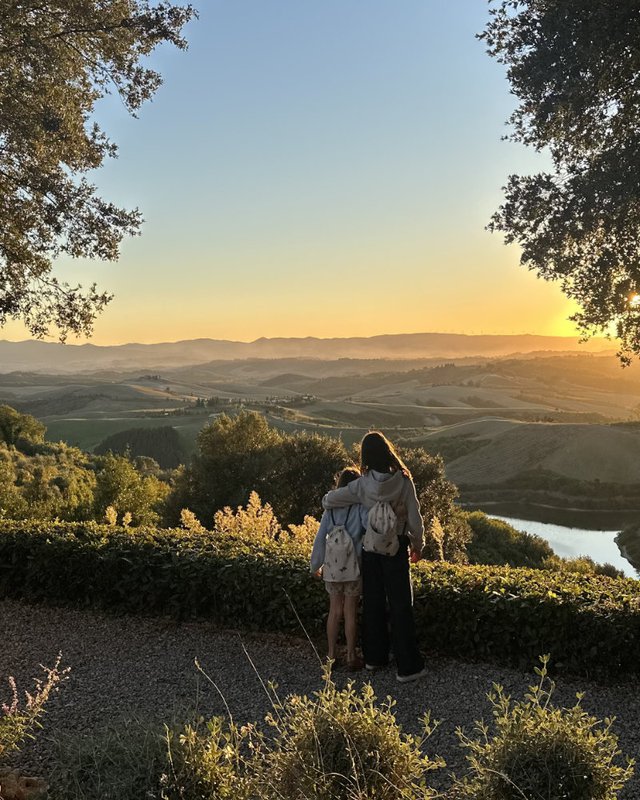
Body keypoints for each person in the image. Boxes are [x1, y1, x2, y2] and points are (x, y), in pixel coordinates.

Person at [322, 431, 426, 683]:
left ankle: (374, 658)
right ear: (388, 452)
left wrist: (331, 501)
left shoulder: (362, 484)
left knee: (373, 602)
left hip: (370, 549)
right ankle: (408, 667)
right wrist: (418, 545)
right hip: (396, 546)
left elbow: (329, 500)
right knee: (401, 605)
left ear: (366, 457)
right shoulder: (403, 481)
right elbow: (415, 519)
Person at [310, 467, 368, 670]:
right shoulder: (359, 505)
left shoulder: (330, 507)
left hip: (332, 568)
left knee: (334, 611)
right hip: (354, 566)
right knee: (350, 611)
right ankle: (352, 656)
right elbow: (368, 527)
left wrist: (315, 565)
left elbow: (320, 538)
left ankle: (331, 656)